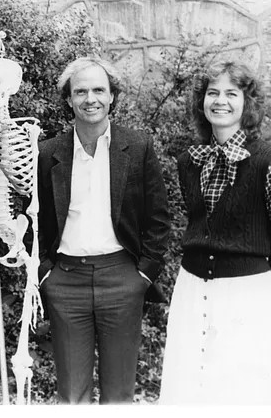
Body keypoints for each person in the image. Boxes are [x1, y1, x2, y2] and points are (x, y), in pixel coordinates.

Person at [37, 56, 170, 404]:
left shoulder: (138, 147)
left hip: (122, 279)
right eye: (80, 91)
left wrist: (144, 274)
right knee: (72, 395)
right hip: (65, 282)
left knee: (118, 395)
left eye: (99, 89)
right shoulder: (48, 153)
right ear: (68, 99)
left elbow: (158, 218)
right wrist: (44, 274)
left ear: (112, 96)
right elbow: (34, 219)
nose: (90, 98)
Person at [159, 61, 271, 404]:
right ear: (202, 102)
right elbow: (201, 224)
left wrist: (256, 288)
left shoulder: (269, 161)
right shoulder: (190, 161)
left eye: (231, 93)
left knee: (240, 389)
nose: (221, 101)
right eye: (212, 93)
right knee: (190, 386)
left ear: (247, 103)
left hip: (247, 294)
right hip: (192, 286)